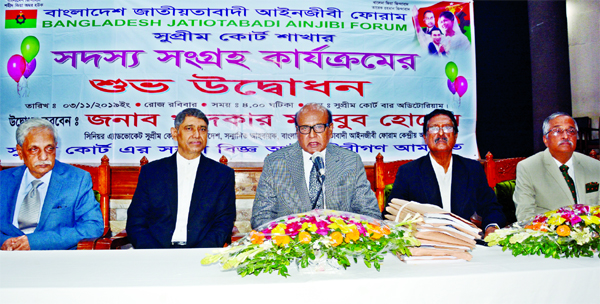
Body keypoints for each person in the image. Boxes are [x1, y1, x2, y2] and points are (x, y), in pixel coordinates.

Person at [251, 103, 381, 228]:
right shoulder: (276, 163)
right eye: (305, 128)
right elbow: (261, 218)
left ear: (330, 129)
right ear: (297, 131)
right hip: (291, 244)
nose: (312, 135)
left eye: (319, 127)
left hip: (339, 244)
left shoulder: (350, 161)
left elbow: (369, 213)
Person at [385, 109, 506, 237]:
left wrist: (492, 227)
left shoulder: (472, 169)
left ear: (455, 136)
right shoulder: (409, 172)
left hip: (466, 241)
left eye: (447, 128)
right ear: (425, 138)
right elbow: (393, 212)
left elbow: (491, 207)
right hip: (425, 243)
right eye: (434, 128)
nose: (441, 133)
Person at [126, 108, 236, 248]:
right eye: (189, 128)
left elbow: (223, 223)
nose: (197, 135)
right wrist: (154, 254)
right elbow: (136, 222)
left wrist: (198, 255)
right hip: (155, 253)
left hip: (201, 254)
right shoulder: (152, 172)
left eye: (202, 129)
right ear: (174, 133)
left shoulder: (221, 175)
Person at [0, 118, 103, 250]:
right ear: (20, 152)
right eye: (34, 149)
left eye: (49, 149)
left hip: (54, 259)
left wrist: (34, 242)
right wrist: (5, 242)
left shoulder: (77, 180)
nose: (43, 157)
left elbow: (92, 227)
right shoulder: (3, 180)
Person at [514, 112, 600, 221]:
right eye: (558, 131)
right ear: (545, 139)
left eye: (571, 131)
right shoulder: (528, 167)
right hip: (550, 233)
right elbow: (525, 215)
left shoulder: (595, 166)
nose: (565, 136)